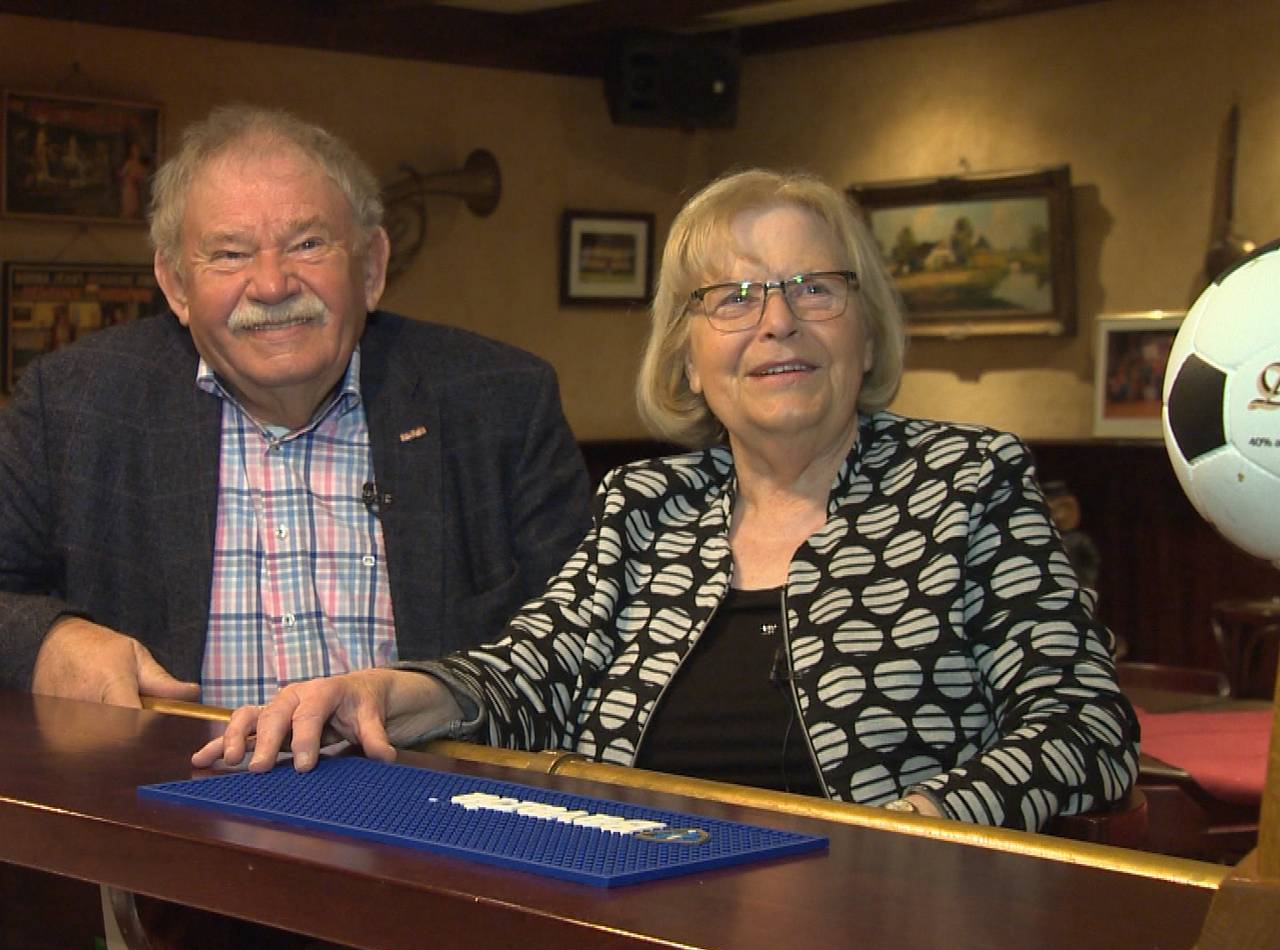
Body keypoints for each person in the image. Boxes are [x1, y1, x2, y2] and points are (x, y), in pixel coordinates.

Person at [196, 169, 1139, 832]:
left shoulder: (966, 483)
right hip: (639, 910)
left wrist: (920, 827)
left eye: (815, 288)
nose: (778, 322)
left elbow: (1085, 726)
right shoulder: (646, 504)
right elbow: (531, 673)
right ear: (688, 354)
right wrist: (386, 693)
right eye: (733, 298)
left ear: (866, 331)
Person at [0, 104, 591, 709]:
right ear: (176, 286)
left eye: (307, 244)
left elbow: (588, 641)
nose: (272, 285)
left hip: (422, 770)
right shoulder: (70, 405)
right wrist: (47, 641)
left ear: (371, 267)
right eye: (229, 254)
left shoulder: (501, 404)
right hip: (160, 772)